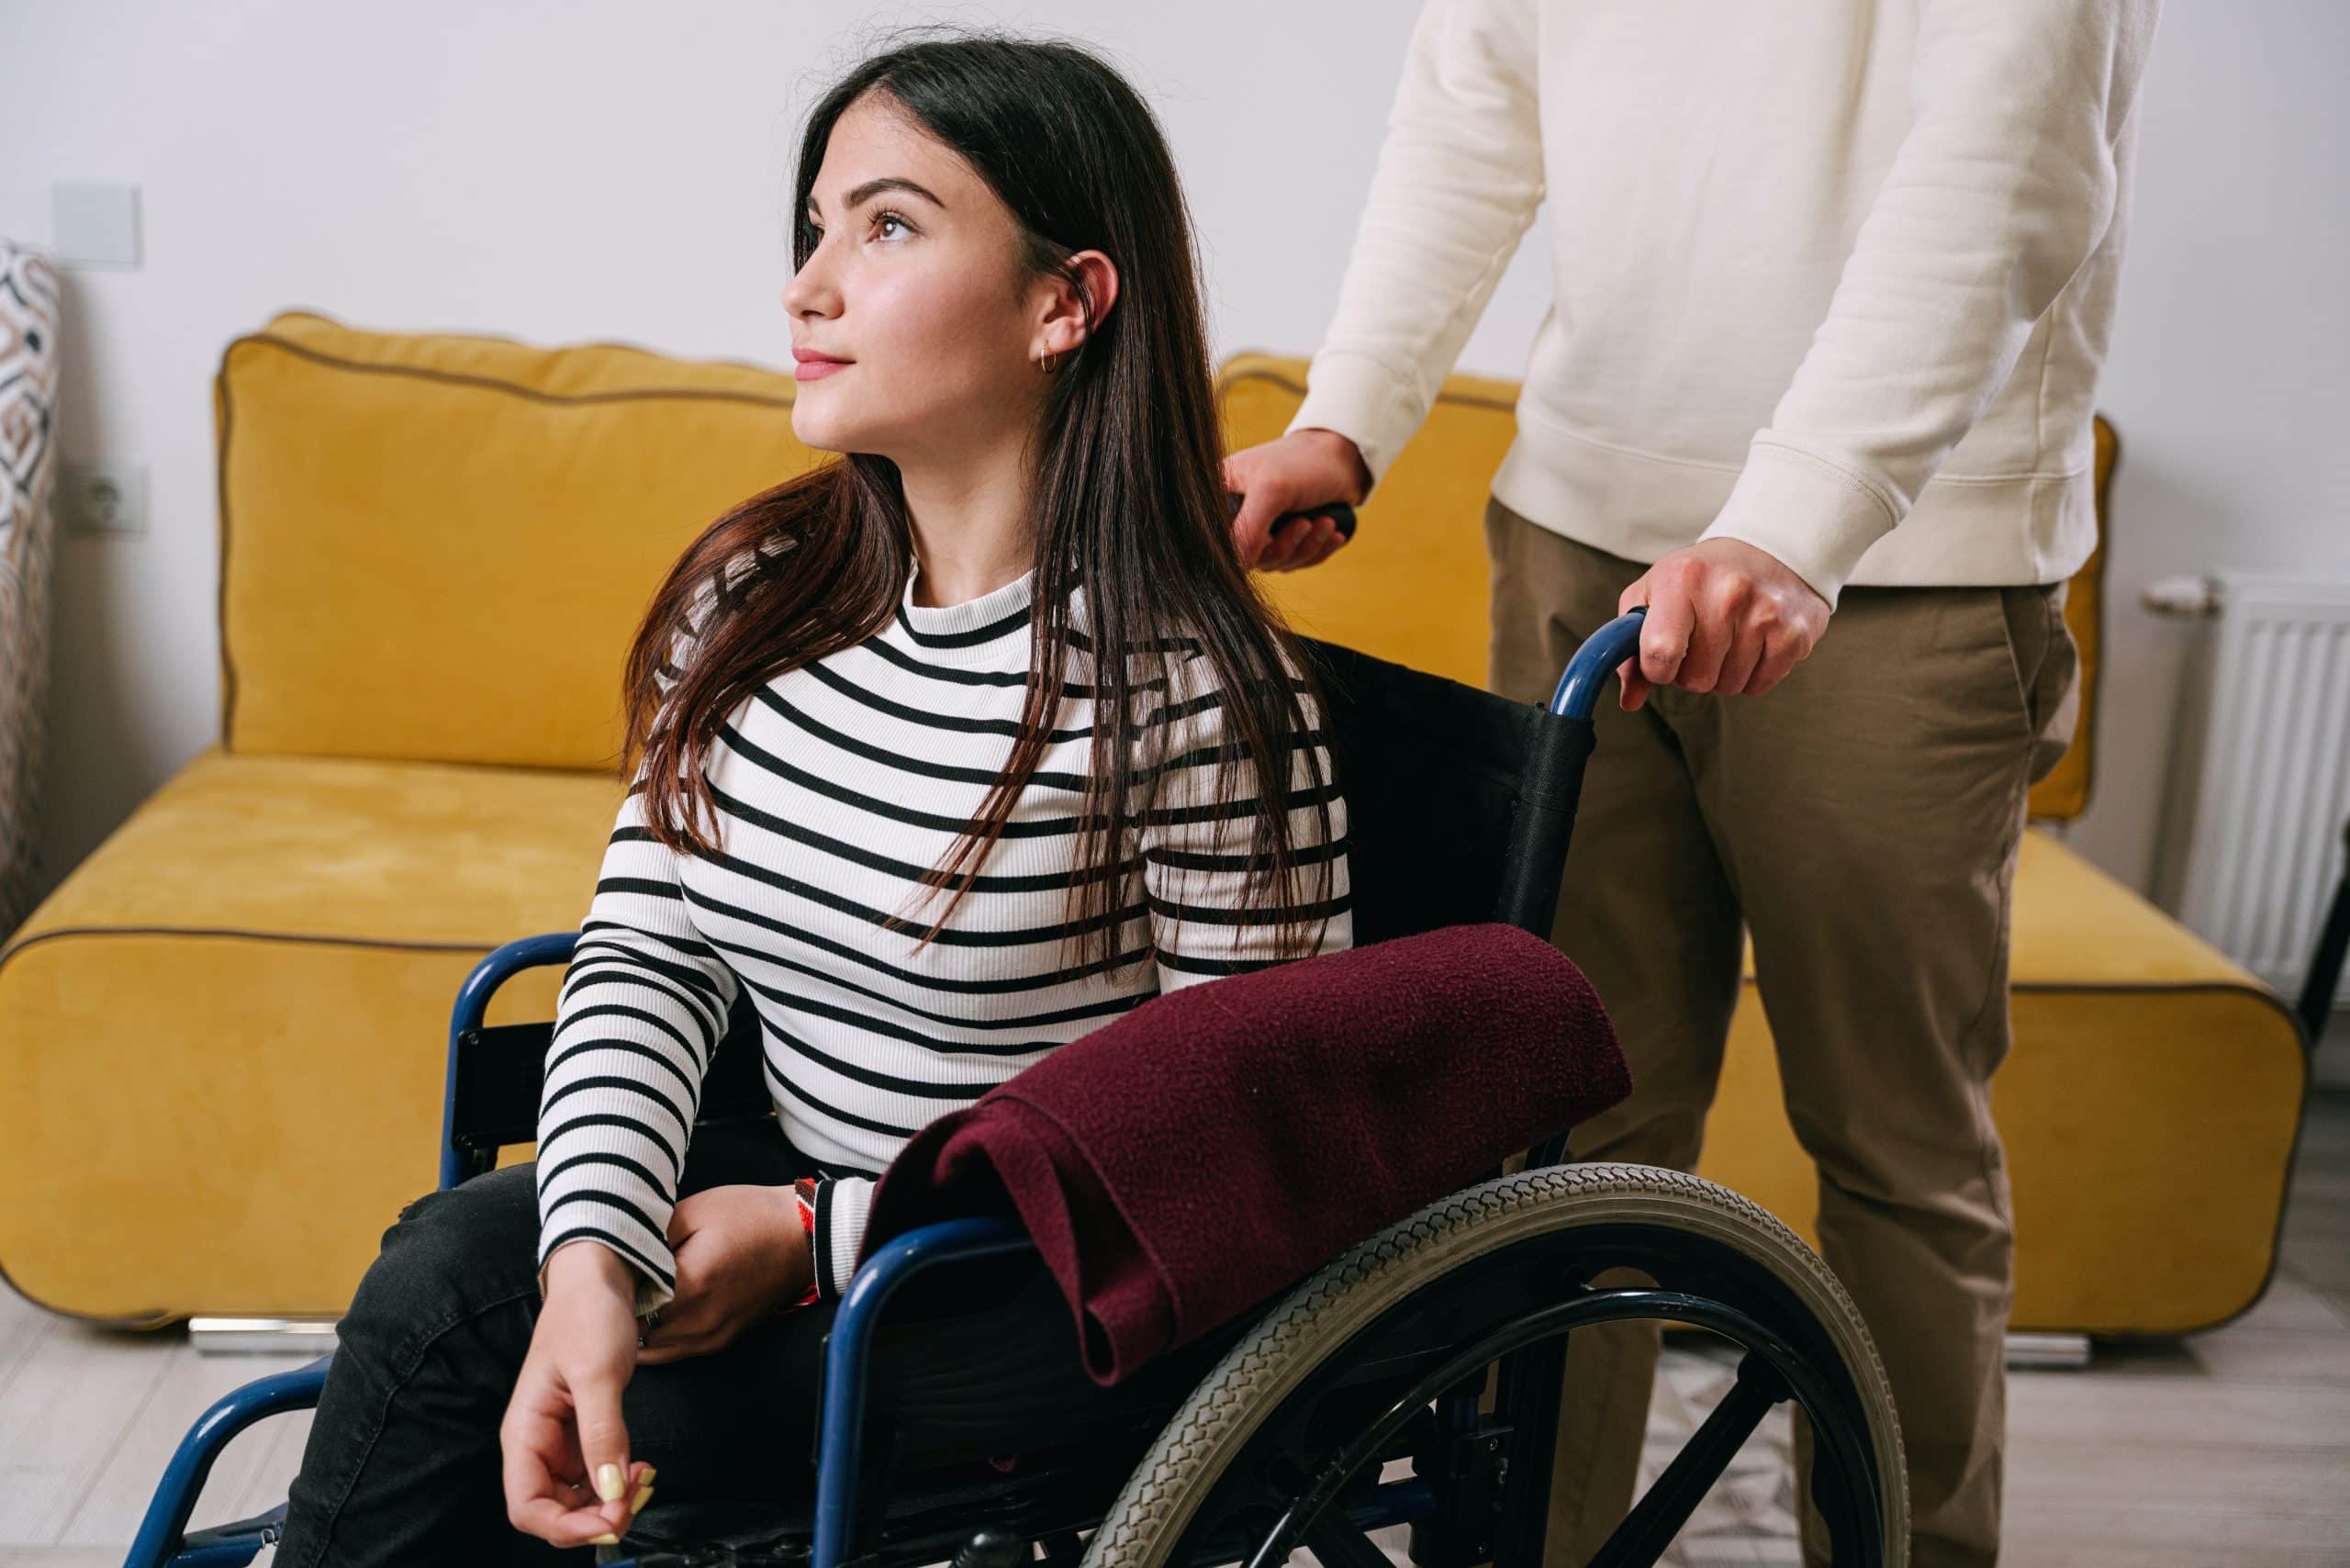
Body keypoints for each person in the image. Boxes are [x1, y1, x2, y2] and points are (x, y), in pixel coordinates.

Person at [274, 35, 1351, 1565]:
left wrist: (814, 1239)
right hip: (781, 1218)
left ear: (1068, 303)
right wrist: (591, 1253)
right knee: (472, 1273)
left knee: (452, 1347)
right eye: (818, 227)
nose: (809, 287)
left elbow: (1235, 1158)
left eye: (889, 226)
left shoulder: (1198, 696)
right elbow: (649, 952)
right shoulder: (762, 594)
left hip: (1014, 1308)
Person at [1223, 3, 2155, 1562]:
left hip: (1893, 568)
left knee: (1895, 1149)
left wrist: (1797, 517)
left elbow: (2010, 159)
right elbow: (1476, 104)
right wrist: (1350, 412)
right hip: (1580, 526)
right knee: (1571, 1141)